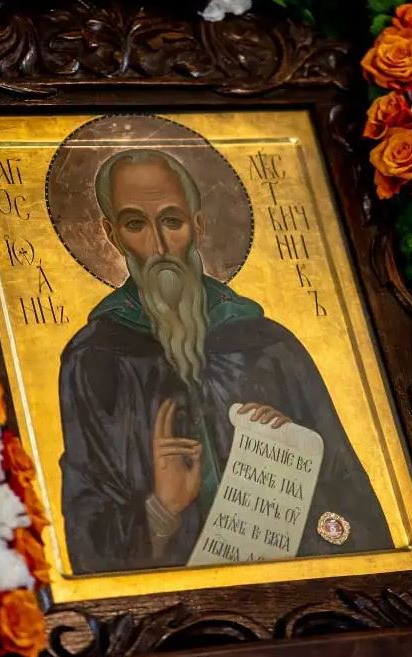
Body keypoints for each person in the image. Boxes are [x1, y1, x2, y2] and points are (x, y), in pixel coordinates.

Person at [59, 149, 392, 574]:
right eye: (135, 224)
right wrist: (161, 511)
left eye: (172, 221)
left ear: (198, 225)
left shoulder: (269, 347)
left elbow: (356, 510)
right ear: (112, 235)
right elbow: (90, 533)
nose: (159, 247)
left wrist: (292, 458)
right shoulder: (96, 358)